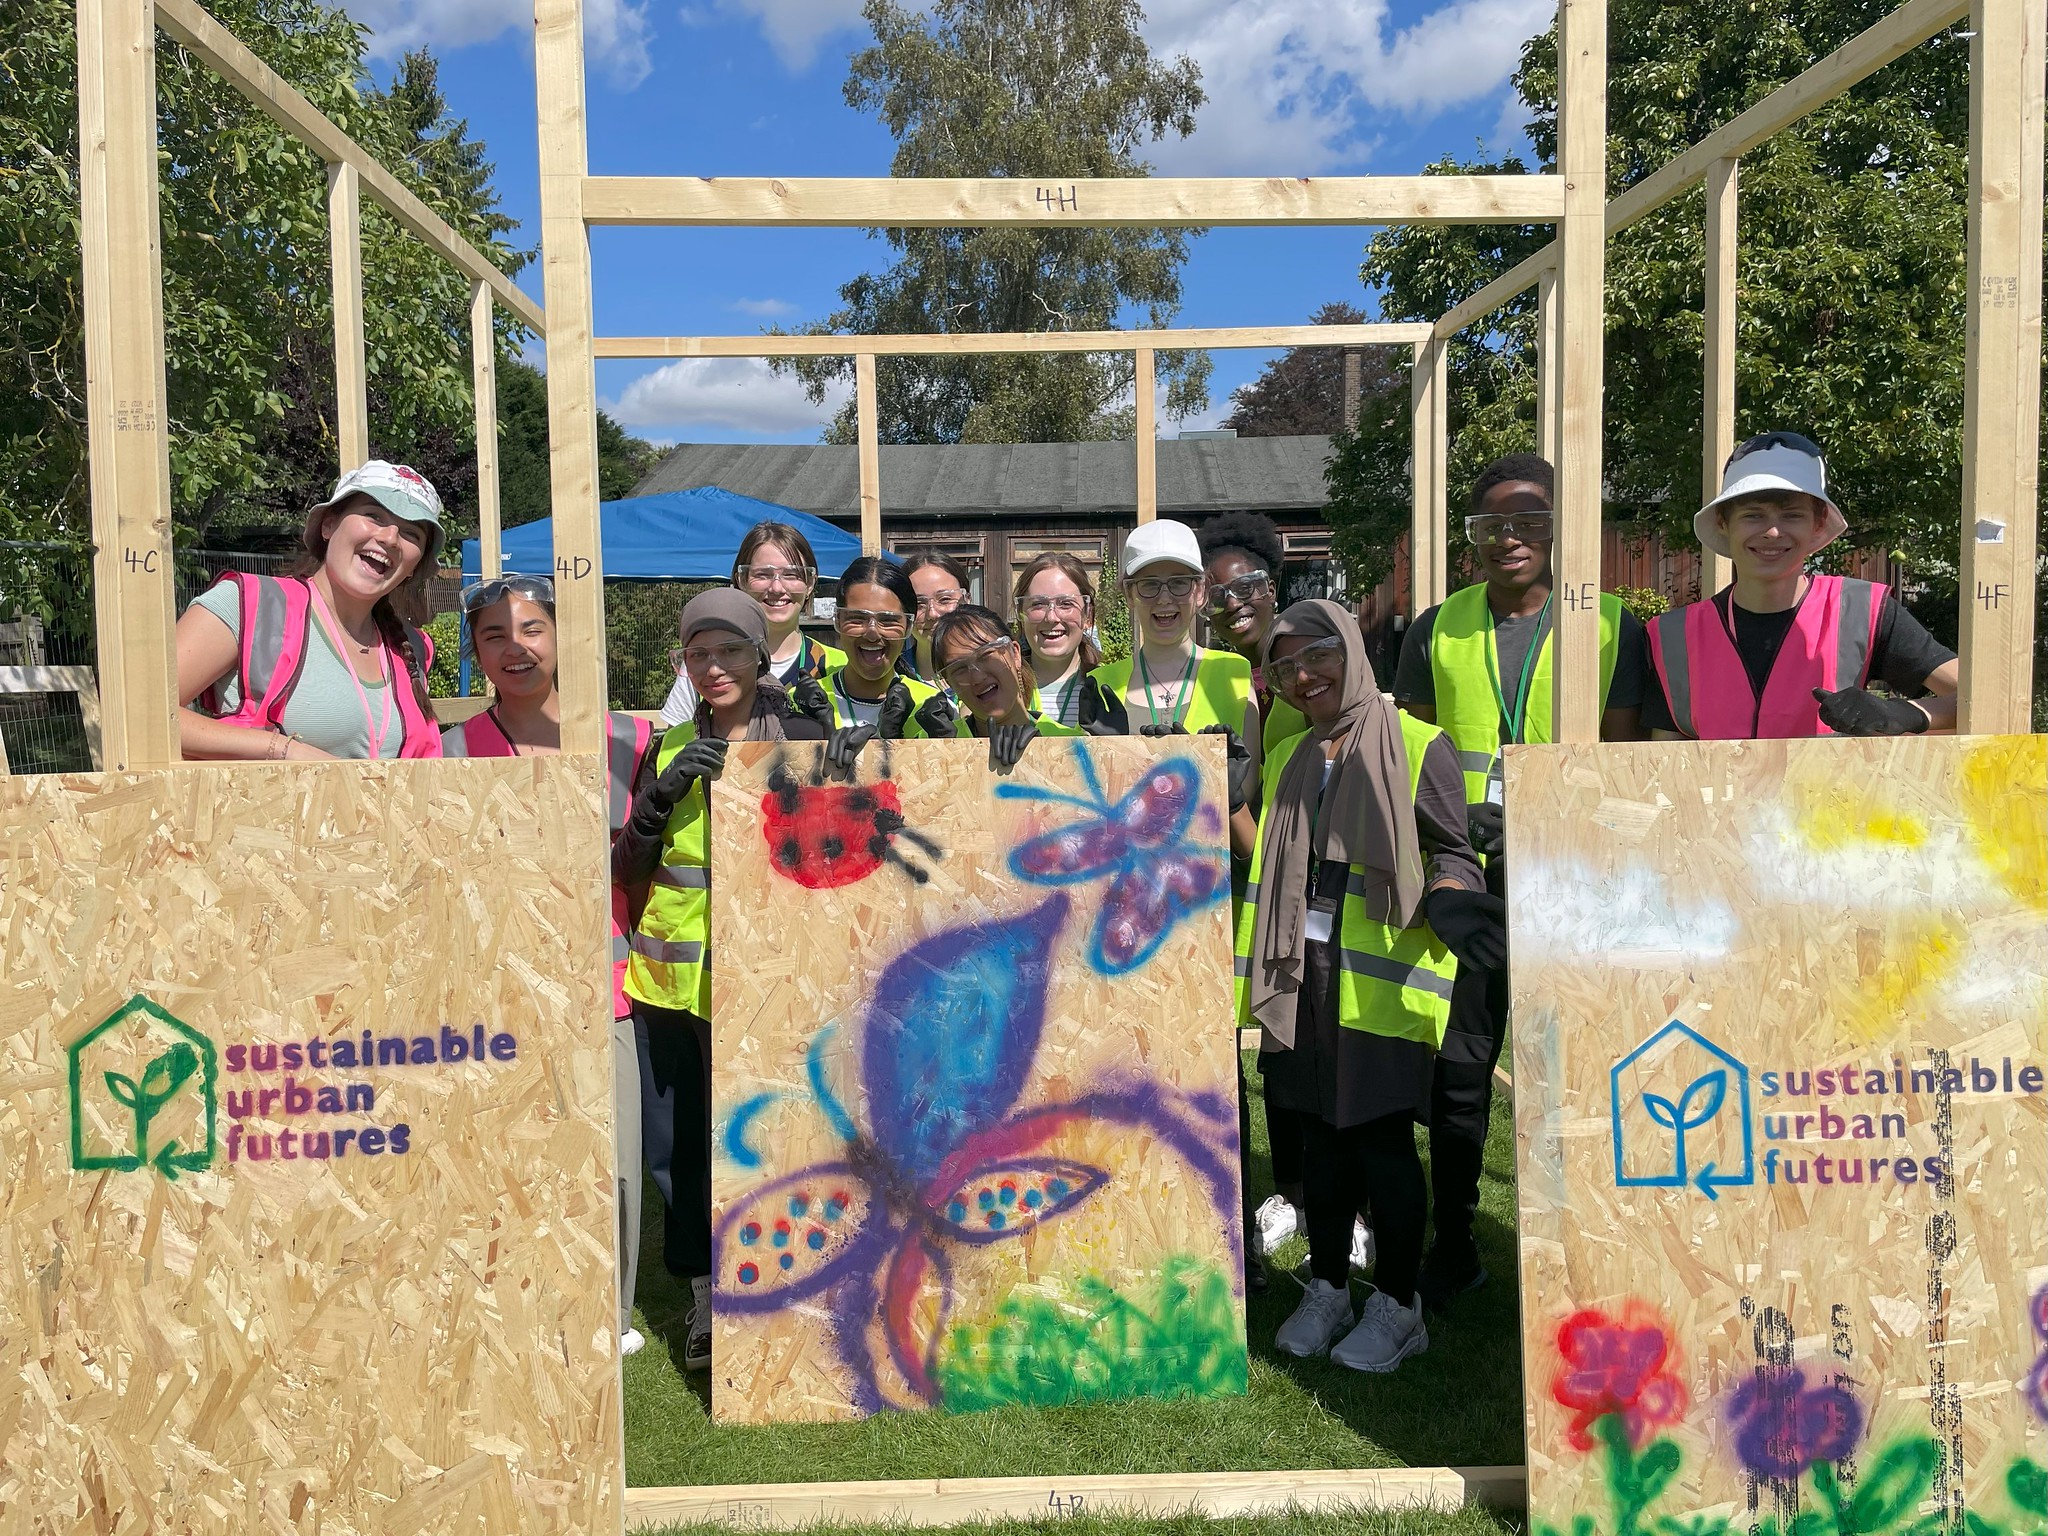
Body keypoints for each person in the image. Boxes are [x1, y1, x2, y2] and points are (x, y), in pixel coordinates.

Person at [1391, 452, 1647, 1311]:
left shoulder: (1611, 624)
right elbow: (1412, 757)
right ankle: (1456, 1238)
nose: (1511, 538)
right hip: (1469, 883)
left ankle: (1582, 1245)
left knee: (1576, 1073)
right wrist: (1443, 868)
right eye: (1493, 524)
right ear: (1471, 539)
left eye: (1531, 522)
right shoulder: (1437, 627)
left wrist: (1556, 817)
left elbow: (1626, 767)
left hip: (1576, 881)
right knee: (1461, 1077)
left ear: (1559, 530)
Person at [1233, 601, 1502, 1373]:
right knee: (1319, 1143)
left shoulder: (1419, 746)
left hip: (1381, 985)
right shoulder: (1290, 756)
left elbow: (1454, 849)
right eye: (1285, 668)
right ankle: (1326, 1286)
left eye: (1317, 655)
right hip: (1303, 981)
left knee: (1381, 1145)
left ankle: (1396, 1303)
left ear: (1350, 649)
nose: (1305, 677)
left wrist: (1451, 893)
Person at [441, 574, 657, 1358]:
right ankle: (517, 1303)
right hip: (499, 986)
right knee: (509, 1155)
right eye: (494, 635)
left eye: (531, 629)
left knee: (614, 1161)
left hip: (607, 982)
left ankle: (612, 1314)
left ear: (563, 639)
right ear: (476, 653)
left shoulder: (629, 741)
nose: (515, 648)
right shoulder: (454, 750)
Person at [615, 591, 826, 1373]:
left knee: (772, 1134)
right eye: (698, 654)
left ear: (757, 655)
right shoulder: (665, 744)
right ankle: (705, 1295)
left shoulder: (803, 736)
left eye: (729, 651)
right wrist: (657, 800)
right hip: (673, 987)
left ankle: (788, 1289)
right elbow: (629, 870)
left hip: (773, 982)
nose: (714, 668)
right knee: (680, 1150)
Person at [1645, 432, 1958, 739]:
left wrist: (1899, 714)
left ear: (1818, 523)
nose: (1772, 531)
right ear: (1724, 523)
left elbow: (1982, 700)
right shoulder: (1673, 636)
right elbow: (1662, 763)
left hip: (1830, 793)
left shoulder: (1862, 611)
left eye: (1792, 515)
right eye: (1753, 516)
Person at [1198, 512, 1313, 1281]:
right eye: (1219, 590)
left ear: (1275, 585)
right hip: (1253, 876)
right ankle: (1286, 1193)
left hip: (1314, 875)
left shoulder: (1307, 660)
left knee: (1317, 1038)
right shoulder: (1219, 673)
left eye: (1249, 583)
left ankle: (1326, 1197)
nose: (1234, 599)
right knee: (1271, 1035)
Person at [176, 460, 443, 760]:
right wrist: (283, 750)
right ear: (328, 525)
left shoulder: (412, 649)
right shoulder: (245, 604)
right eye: (374, 516)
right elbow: (142, 714)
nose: (390, 538)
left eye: (411, 534)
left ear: (415, 566)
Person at [1092, 520, 1259, 755]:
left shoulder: (1235, 673)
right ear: (1129, 594)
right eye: (1149, 585)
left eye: (1179, 583)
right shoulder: (1099, 684)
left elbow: (1249, 780)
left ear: (1200, 591)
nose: (1164, 598)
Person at [659, 522, 846, 725]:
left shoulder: (838, 665)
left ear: (810, 584)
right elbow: (675, 741)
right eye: (762, 575)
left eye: (791, 574)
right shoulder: (704, 663)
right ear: (741, 580)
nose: (776, 588)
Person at [791, 557, 959, 742]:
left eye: (888, 620)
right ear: (837, 620)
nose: (872, 633)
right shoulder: (800, 704)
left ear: (908, 626)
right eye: (857, 618)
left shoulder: (935, 708)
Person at [1199, 512, 1306, 753]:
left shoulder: (1305, 667)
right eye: (1216, 597)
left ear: (1270, 591)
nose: (1233, 604)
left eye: (1244, 588)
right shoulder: (1211, 680)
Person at [931, 605, 1086, 769]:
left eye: (986, 655)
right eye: (959, 669)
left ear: (1015, 653)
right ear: (949, 683)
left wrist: (1044, 753)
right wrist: (943, 757)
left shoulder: (1073, 745)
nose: (977, 677)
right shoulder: (932, 744)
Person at [1012, 553, 1104, 729]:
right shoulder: (1001, 690)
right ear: (1021, 615)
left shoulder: (1109, 688)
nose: (1052, 617)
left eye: (1066, 604)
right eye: (1038, 604)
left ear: (1088, 616)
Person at [902, 552, 973, 683]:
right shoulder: (891, 677)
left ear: (967, 600)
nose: (932, 614)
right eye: (919, 604)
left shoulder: (991, 670)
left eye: (945, 599)